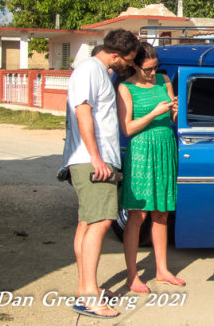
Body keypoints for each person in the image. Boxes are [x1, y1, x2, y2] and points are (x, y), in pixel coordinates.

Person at [63, 29, 139, 319]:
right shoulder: (90, 70)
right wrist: (96, 158)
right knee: (101, 222)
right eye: (129, 61)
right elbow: (83, 112)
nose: (130, 66)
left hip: (94, 159)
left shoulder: (98, 71)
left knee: (86, 223)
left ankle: (86, 289)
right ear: (116, 55)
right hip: (92, 160)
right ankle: (89, 298)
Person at [116, 42, 184, 293]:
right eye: (148, 69)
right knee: (138, 214)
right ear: (134, 64)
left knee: (162, 213)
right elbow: (128, 128)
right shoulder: (125, 87)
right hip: (142, 151)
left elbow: (174, 118)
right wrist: (155, 113)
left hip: (165, 147)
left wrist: (176, 112)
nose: (153, 73)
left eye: (156, 67)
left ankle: (162, 270)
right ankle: (132, 276)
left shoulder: (164, 80)